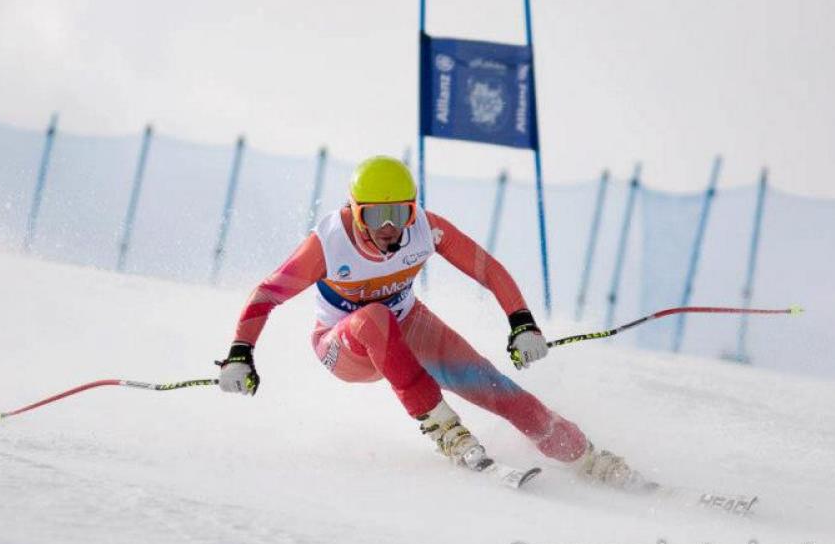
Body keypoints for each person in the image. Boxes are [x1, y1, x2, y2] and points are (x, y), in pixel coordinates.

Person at [216, 155, 640, 487]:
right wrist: (240, 352)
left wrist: (522, 323)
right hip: (344, 347)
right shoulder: (328, 243)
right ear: (354, 211)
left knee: (502, 393)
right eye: (374, 217)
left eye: (398, 215)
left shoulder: (426, 229)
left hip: (406, 327)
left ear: (412, 210)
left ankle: (588, 458)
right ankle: (446, 430)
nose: (387, 229)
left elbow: (488, 269)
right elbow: (266, 294)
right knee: (374, 317)